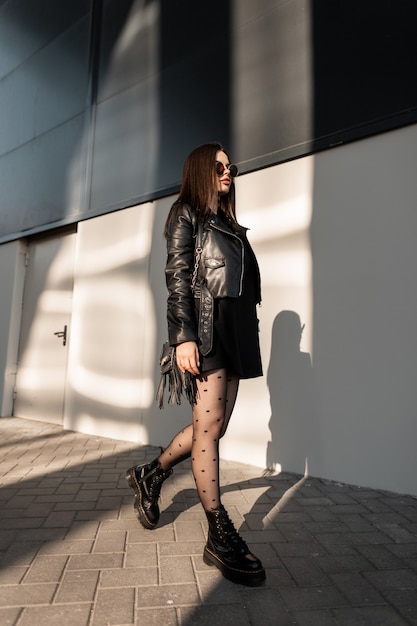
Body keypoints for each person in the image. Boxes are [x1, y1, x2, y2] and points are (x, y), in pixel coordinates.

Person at [126, 142, 265, 586]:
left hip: (236, 331)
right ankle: (219, 533)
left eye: (232, 167)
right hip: (205, 331)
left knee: (215, 427)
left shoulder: (229, 222)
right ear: (203, 169)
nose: (228, 172)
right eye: (221, 167)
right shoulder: (186, 213)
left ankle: (151, 473)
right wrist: (182, 336)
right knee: (208, 430)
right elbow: (178, 276)